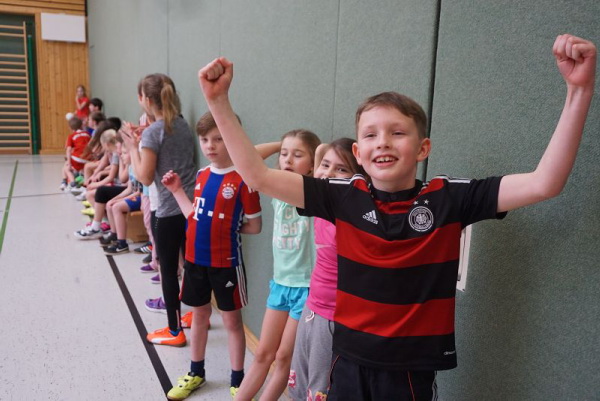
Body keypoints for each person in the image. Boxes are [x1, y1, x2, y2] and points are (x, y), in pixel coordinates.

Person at [198, 34, 596, 400]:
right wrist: (218, 103)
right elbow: (257, 175)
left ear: (423, 148)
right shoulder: (341, 196)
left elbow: (545, 182)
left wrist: (578, 91)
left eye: (397, 133)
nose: (383, 142)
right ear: (359, 152)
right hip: (346, 361)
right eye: (371, 134)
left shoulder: (449, 198)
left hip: (409, 372)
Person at [162, 111, 279, 400]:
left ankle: (238, 379)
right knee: (199, 316)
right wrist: (176, 191)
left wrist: (228, 226)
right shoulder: (202, 175)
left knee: (231, 323)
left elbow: (255, 226)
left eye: (218, 139)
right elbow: (193, 216)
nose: (210, 145)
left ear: (232, 138)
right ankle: (196, 372)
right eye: (204, 140)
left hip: (226, 265)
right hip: (194, 262)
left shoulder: (243, 179)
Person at [233, 129, 320, 401]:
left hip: (306, 289)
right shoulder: (276, 191)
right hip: (281, 285)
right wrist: (282, 144)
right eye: (284, 154)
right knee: (263, 353)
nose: (288, 159)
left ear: (313, 164)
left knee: (283, 357)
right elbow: (245, 162)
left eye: (298, 155)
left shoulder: (314, 194)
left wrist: (315, 153)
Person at [121, 73, 196, 347]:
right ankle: (195, 316)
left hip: (166, 210)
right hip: (189, 206)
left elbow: (144, 176)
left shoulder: (154, 132)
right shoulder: (182, 124)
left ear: (146, 100)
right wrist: (146, 135)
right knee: (190, 264)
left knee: (168, 270)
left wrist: (133, 147)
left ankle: (174, 330)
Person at [288, 138, 365, 401]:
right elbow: (320, 154)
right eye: (325, 165)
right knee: (300, 386)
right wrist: (325, 161)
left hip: (334, 318)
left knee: (320, 391)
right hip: (312, 307)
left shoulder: (352, 213)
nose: (328, 173)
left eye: (341, 169)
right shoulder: (322, 204)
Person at [74, 129, 128, 239]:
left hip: (122, 186)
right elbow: (104, 164)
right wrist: (96, 174)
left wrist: (96, 184)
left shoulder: (117, 154)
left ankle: (99, 225)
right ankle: (102, 222)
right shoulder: (111, 152)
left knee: (97, 192)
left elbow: (113, 176)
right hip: (118, 184)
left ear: (106, 144)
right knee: (93, 192)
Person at [102, 147, 143, 254]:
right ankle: (114, 234)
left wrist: (121, 200)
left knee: (116, 207)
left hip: (141, 197)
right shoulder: (130, 167)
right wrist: (115, 199)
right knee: (109, 204)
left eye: (125, 153)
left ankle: (122, 244)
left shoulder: (138, 168)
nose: (121, 156)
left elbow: (139, 192)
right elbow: (129, 189)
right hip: (133, 195)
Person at [60, 116, 90, 191]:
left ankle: (72, 184)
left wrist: (69, 162)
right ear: (81, 125)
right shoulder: (87, 134)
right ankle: (83, 183)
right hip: (88, 158)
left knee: (66, 168)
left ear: (70, 128)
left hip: (78, 158)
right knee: (81, 169)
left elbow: (68, 150)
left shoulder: (71, 136)